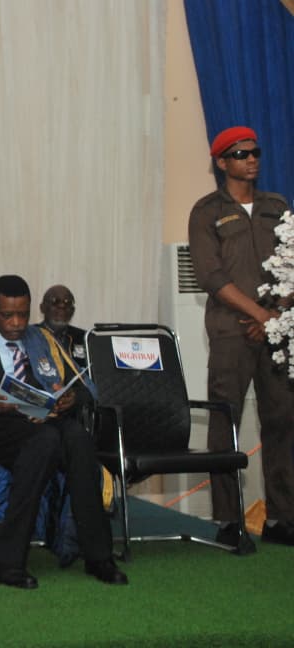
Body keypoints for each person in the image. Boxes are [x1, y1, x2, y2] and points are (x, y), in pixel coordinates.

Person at [0, 275, 126, 589]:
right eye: (7, 315)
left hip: (43, 420)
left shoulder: (42, 340)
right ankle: (7, 561)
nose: (16, 323)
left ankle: (99, 557)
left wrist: (72, 398)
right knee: (47, 441)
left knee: (77, 438)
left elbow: (87, 389)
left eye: (23, 314)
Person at [188, 125, 294, 550]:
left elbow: (291, 262)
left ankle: (282, 518)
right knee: (225, 423)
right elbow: (211, 276)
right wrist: (259, 314)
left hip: (277, 331)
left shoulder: (277, 206)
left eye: (255, 152)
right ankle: (229, 519)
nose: (251, 159)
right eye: (240, 154)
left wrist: (277, 314)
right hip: (232, 331)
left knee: (283, 421)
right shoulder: (206, 211)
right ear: (221, 162)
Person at [38, 285, 87, 370]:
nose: (62, 306)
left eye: (67, 302)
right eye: (55, 301)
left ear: (73, 310)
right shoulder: (30, 335)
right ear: (42, 308)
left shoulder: (85, 338)